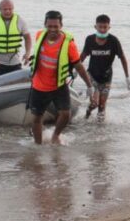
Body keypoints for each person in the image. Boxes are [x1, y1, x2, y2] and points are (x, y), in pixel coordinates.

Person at [29, 10, 92, 145]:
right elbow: (38, 54)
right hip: (39, 86)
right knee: (36, 118)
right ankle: (38, 146)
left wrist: (89, 85)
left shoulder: (68, 43)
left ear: (61, 25)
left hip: (59, 85)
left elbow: (78, 66)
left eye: (55, 26)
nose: (52, 29)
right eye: (49, 26)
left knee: (65, 114)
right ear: (45, 24)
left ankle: (55, 136)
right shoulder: (39, 35)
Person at [80, 14, 130, 120]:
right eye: (100, 27)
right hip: (92, 75)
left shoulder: (113, 41)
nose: (102, 29)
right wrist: (75, 71)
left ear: (109, 27)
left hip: (106, 77)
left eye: (105, 27)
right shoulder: (90, 39)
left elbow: (122, 58)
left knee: (102, 107)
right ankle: (87, 115)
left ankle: (100, 134)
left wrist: (127, 77)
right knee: (94, 103)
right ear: (95, 27)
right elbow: (83, 56)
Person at [0, 0, 32, 79]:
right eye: (5, 9)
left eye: (10, 9)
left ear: (13, 9)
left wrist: (27, 53)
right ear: (0, 9)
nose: (7, 11)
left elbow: (28, 38)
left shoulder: (20, 21)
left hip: (14, 62)